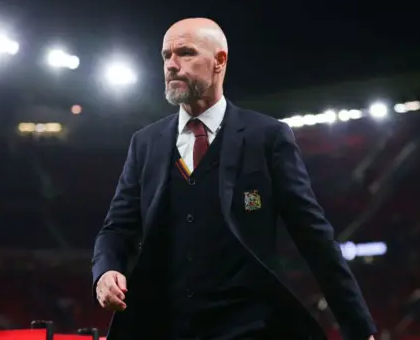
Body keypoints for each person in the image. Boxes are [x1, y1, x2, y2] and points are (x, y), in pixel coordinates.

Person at [92, 18, 376, 340]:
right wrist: (106, 270)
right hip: (163, 327)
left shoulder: (267, 137)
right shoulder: (145, 143)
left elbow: (313, 236)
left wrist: (358, 327)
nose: (171, 65)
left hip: (247, 329)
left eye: (185, 53)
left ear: (219, 61)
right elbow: (117, 227)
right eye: (166, 56)